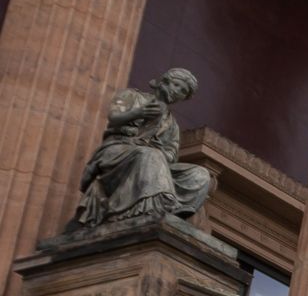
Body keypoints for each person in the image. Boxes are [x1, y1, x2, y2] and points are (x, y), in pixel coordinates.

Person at [76, 68, 213, 229]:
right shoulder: (131, 96)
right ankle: (153, 208)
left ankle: (171, 209)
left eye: (183, 92)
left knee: (201, 174)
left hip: (153, 162)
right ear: (164, 81)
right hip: (117, 150)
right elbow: (114, 117)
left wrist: (161, 151)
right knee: (150, 155)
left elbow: (171, 154)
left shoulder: (172, 124)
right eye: (177, 85)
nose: (177, 92)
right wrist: (138, 112)